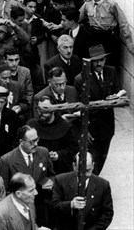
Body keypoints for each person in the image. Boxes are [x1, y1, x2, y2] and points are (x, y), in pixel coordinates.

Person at [74, 45, 120, 174]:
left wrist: (115, 97)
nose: (99, 63)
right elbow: (79, 107)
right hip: (91, 127)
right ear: (90, 61)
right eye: (96, 61)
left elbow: (117, 90)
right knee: (91, 161)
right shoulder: (81, 78)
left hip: (107, 125)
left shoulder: (111, 72)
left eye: (102, 60)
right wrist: (84, 129)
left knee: (102, 158)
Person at [0, 126, 55, 227]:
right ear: (21, 141)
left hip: (42, 204)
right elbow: (4, 190)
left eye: (37, 140)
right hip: (21, 208)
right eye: (32, 142)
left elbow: (51, 175)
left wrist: (49, 182)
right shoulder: (7, 160)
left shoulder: (43, 152)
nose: (36, 144)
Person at [51, 152, 113, 230]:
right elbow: (54, 206)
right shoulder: (60, 180)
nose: (84, 175)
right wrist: (71, 204)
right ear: (74, 166)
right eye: (80, 171)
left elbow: (107, 214)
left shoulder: (103, 185)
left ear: (93, 165)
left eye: (88, 170)